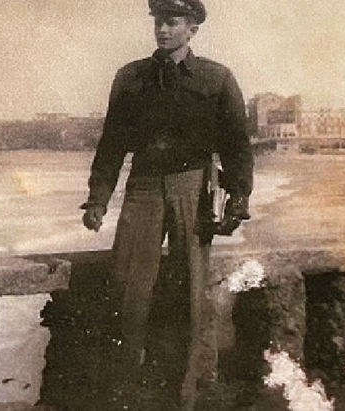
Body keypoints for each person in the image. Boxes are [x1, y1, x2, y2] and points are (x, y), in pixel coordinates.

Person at [80, 0, 253, 405]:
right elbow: (112, 143)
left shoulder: (216, 77)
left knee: (190, 292)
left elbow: (236, 145)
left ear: (192, 29)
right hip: (142, 186)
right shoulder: (130, 77)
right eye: (159, 22)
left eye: (172, 23)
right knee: (128, 288)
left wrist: (238, 198)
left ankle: (182, 399)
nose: (163, 30)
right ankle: (124, 393)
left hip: (193, 188)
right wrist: (98, 199)